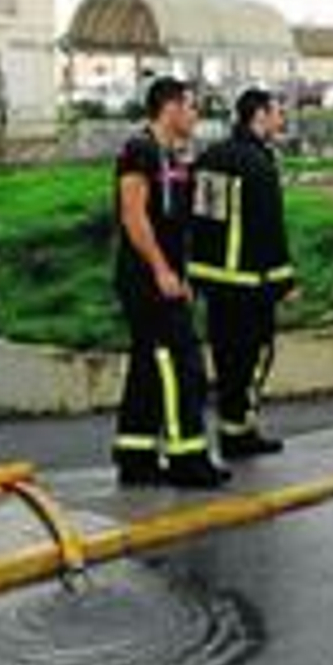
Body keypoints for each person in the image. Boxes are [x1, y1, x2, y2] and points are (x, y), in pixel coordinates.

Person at [112, 77, 229, 487]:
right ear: (171, 107)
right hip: (147, 279)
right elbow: (134, 215)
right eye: (192, 107)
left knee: (148, 365)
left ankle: (136, 455)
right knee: (180, 365)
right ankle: (187, 457)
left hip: (169, 277)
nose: (196, 115)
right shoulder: (139, 151)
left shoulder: (175, 157)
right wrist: (161, 269)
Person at [188, 88, 294, 459]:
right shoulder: (259, 165)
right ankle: (239, 433)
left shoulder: (211, 158)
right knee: (253, 358)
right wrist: (284, 281)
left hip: (214, 282)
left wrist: (198, 274)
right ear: (260, 115)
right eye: (277, 112)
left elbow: (203, 218)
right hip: (250, 284)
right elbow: (269, 228)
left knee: (226, 357)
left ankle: (230, 430)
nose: (281, 120)